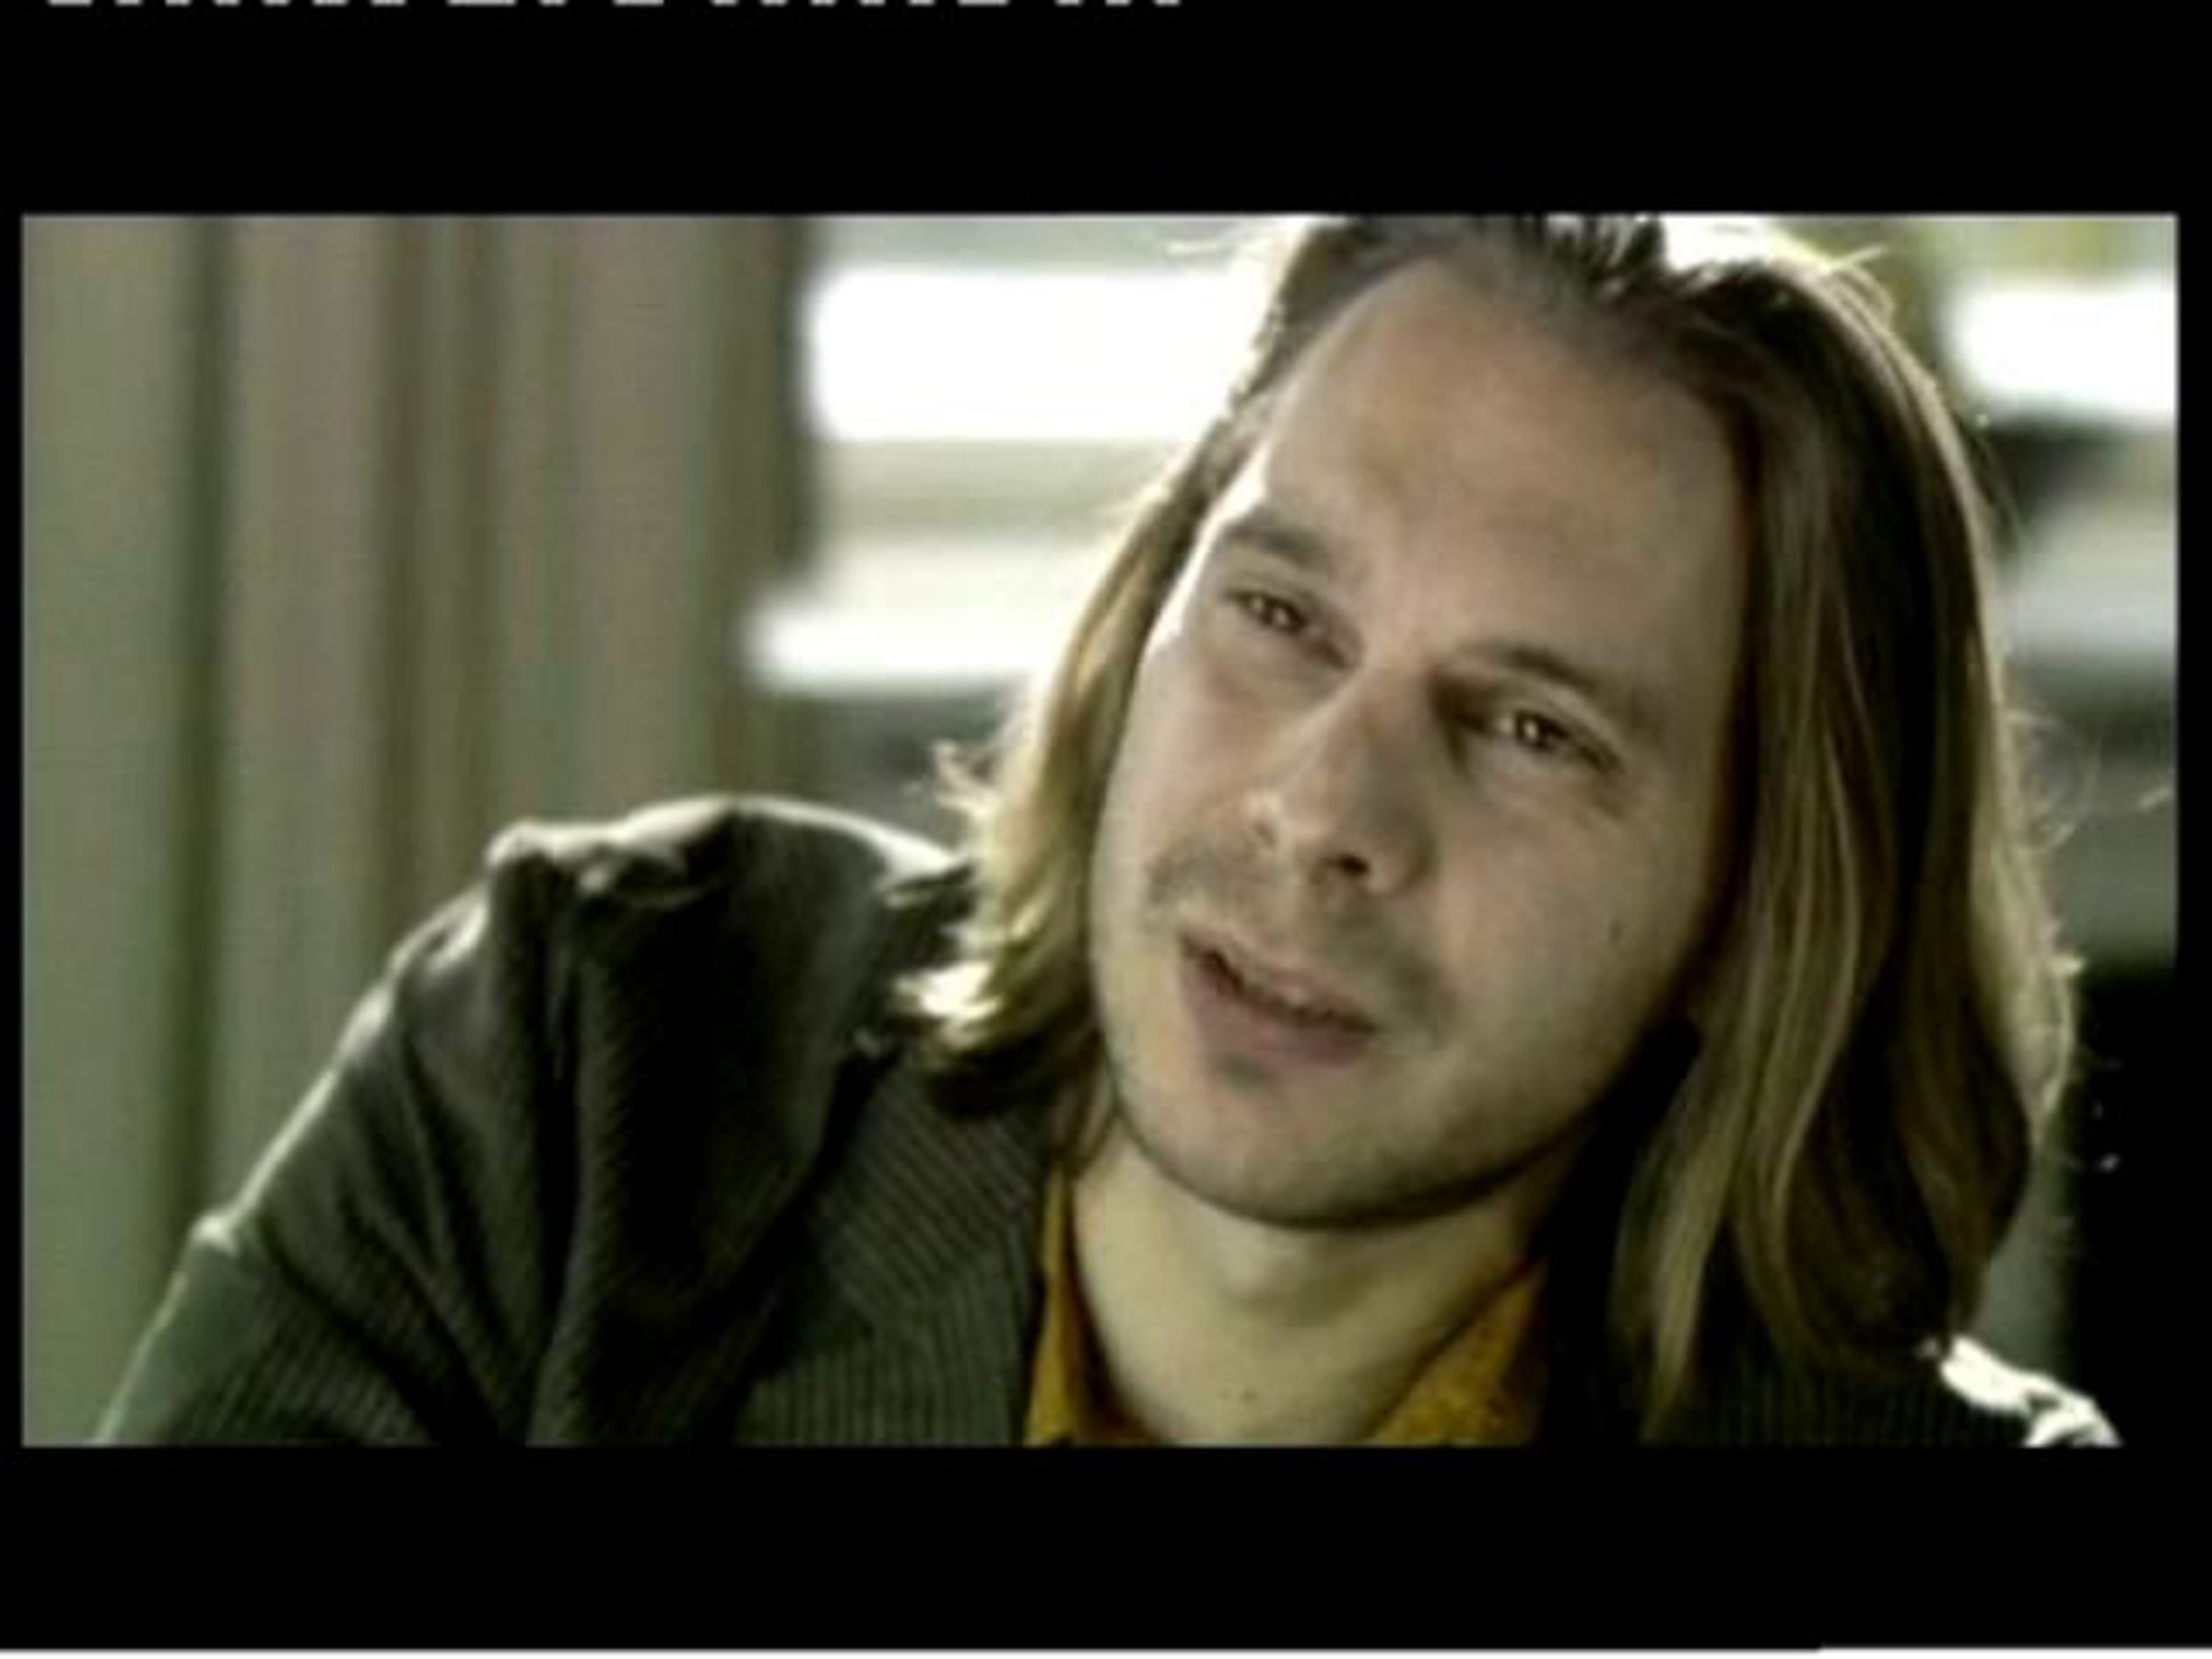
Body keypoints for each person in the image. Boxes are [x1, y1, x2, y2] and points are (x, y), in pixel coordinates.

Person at [99, 216, 2117, 1445]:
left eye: (1527, 728)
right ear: (1148, 604)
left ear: (1754, 919)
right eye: (1282, 615)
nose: (1321, 808)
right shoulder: (597, 1060)